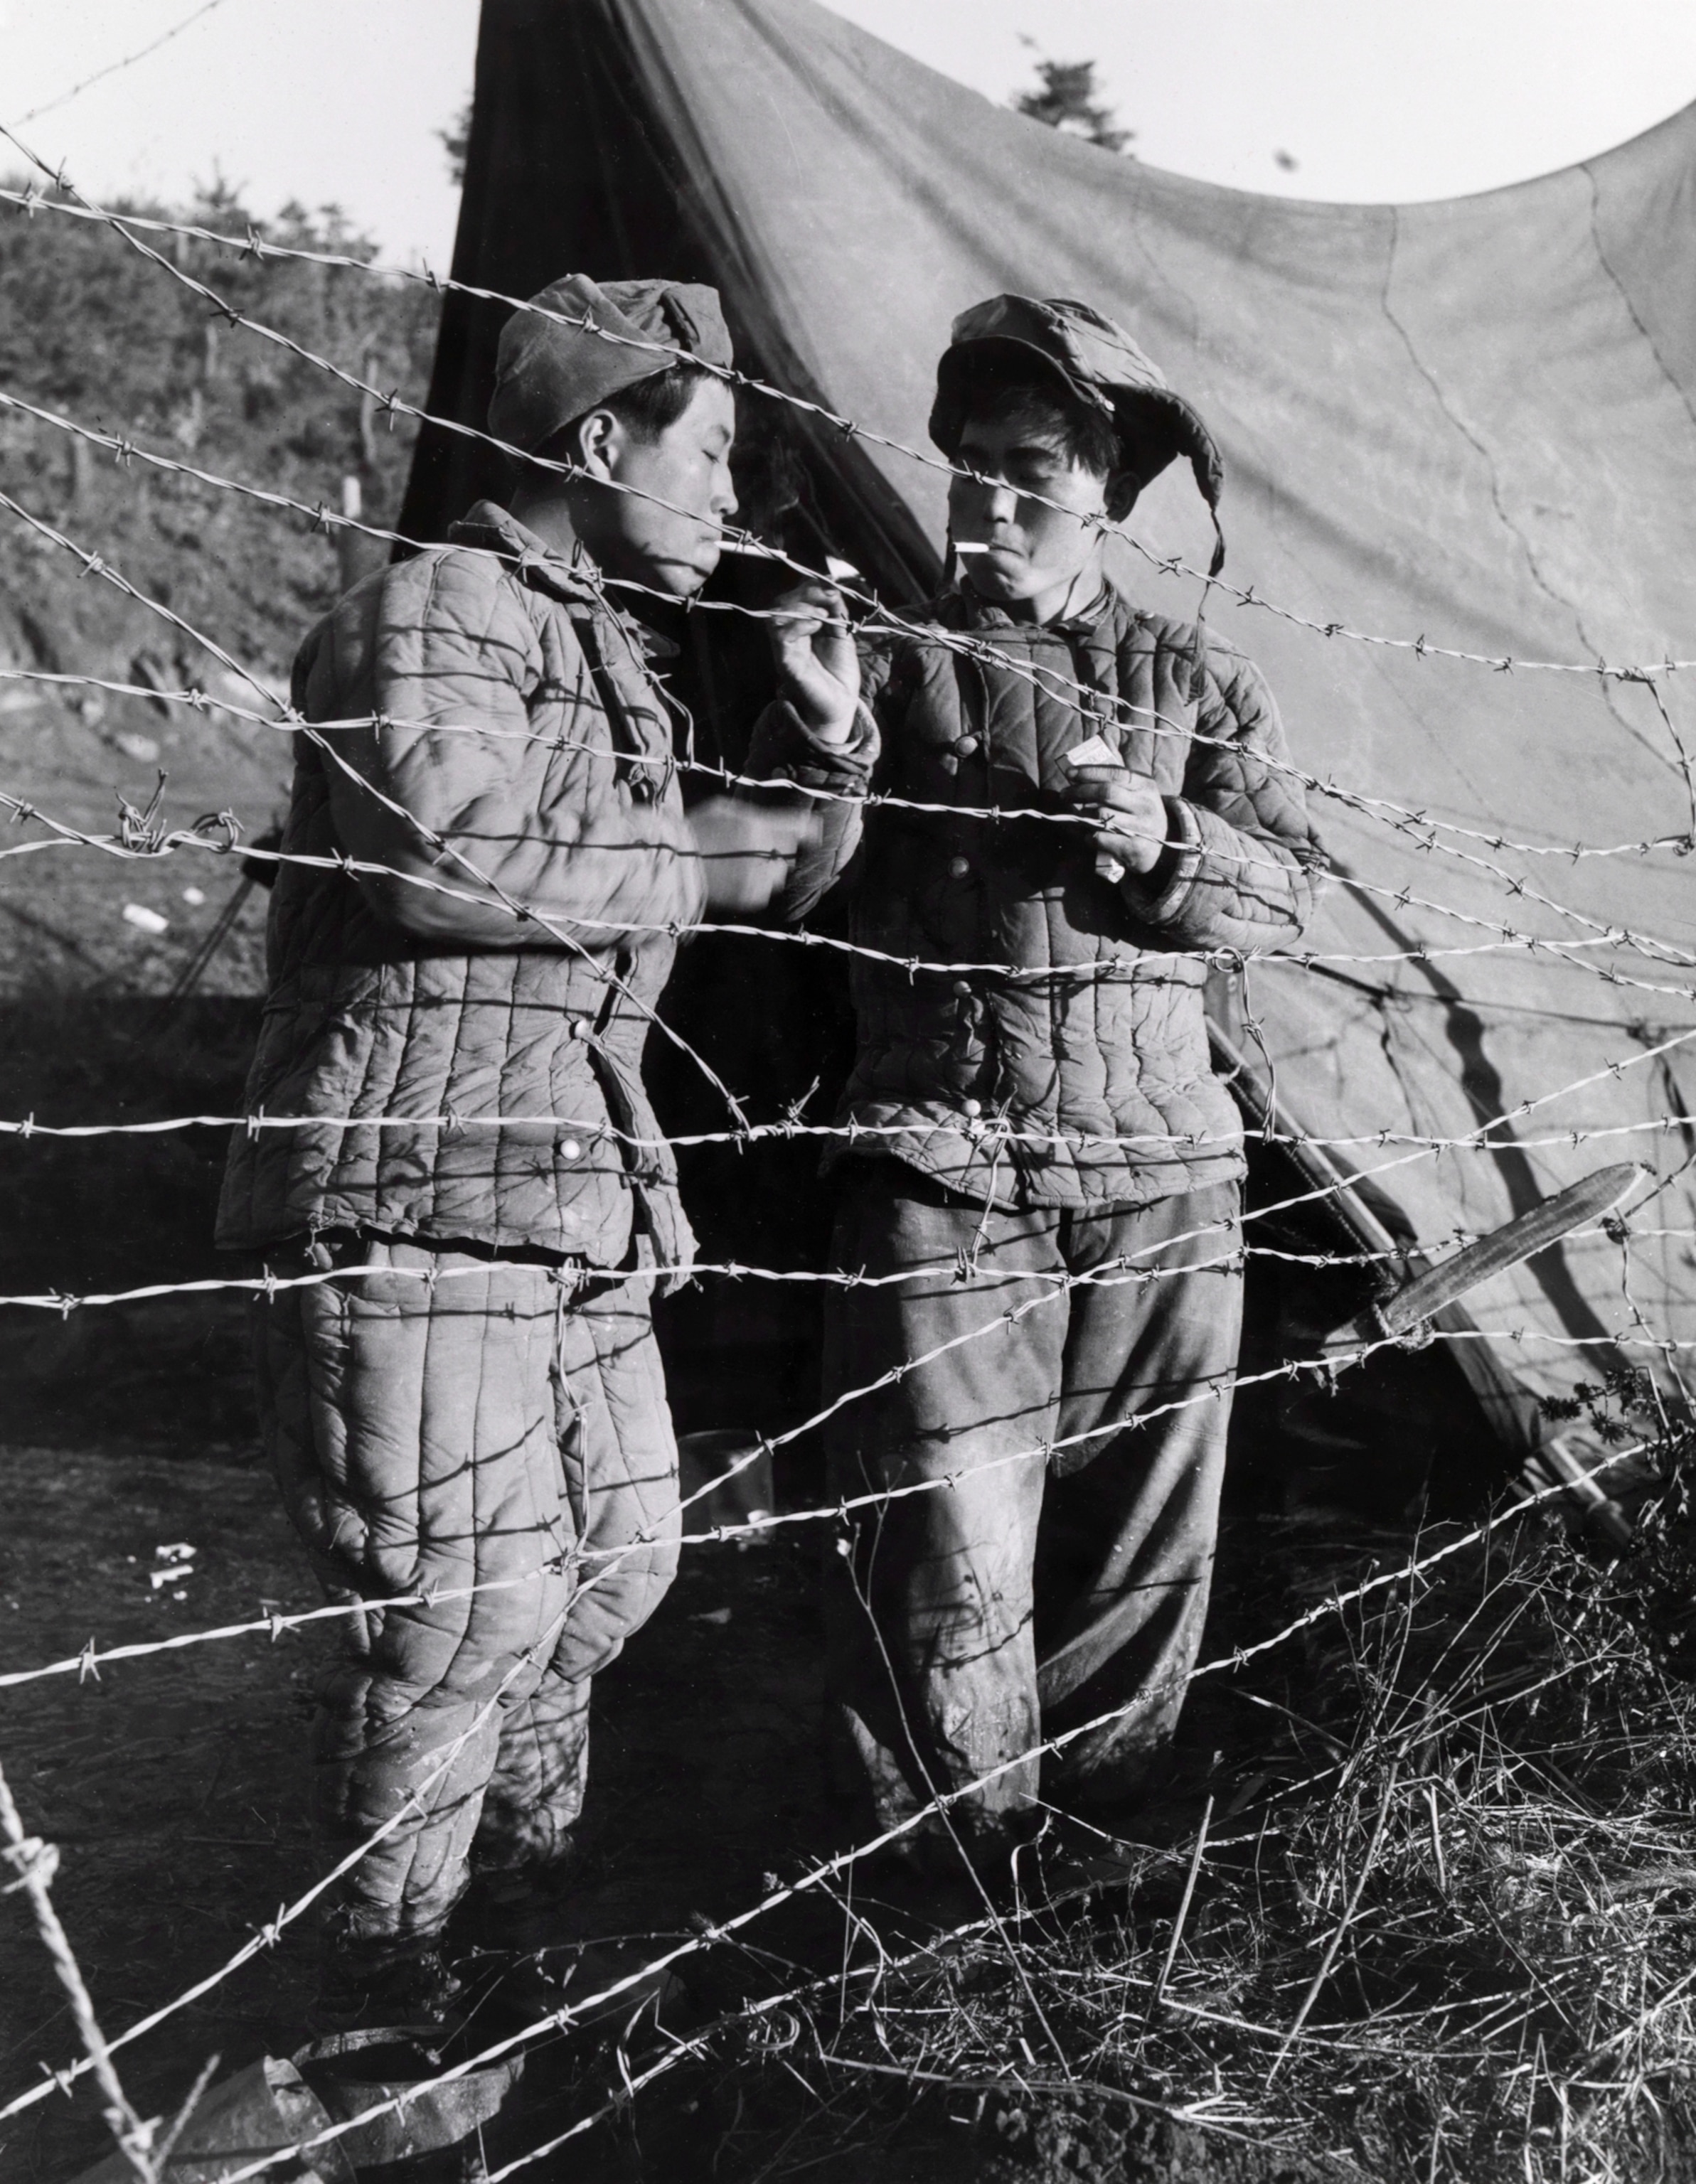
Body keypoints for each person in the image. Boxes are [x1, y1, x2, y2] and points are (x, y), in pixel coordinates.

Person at [216, 273, 806, 2017]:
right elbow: (445, 859)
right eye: (712, 453)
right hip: (421, 1191)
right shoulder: (441, 613)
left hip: (567, 1190)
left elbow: (763, 861)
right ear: (602, 442)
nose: (730, 496)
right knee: (463, 1616)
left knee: (613, 1575)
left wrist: (822, 747)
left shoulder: (602, 649)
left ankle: (518, 1926)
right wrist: (704, 855)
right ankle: (380, 1990)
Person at [753, 294, 1322, 1866]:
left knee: (1136, 1556)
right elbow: (784, 886)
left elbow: (1290, 899)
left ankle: (1096, 1882)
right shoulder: (878, 664)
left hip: (1162, 1180)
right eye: (972, 466)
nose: (991, 505)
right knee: (944, 1558)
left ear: (1108, 495)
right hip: (947, 1176)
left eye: (1035, 473)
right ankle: (939, 1900)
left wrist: (1172, 844)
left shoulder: (1195, 681)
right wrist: (830, 748)